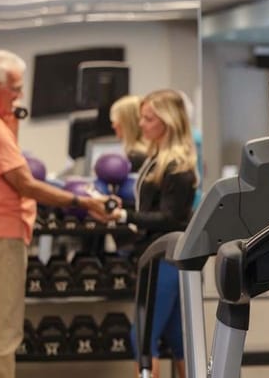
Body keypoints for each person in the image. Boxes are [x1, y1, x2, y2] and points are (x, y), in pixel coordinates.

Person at [0, 49, 113, 378]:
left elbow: (2, 167)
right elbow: (25, 182)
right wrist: (81, 203)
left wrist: (10, 120)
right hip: (1, 237)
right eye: (15, 88)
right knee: (5, 335)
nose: (20, 95)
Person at [112, 89, 198, 378]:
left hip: (167, 260)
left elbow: (170, 217)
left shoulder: (178, 166)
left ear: (167, 122)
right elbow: (149, 207)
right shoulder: (156, 158)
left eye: (149, 119)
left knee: (143, 339)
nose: (143, 125)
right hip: (154, 256)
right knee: (179, 340)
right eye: (142, 118)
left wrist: (126, 215)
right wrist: (117, 208)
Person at [109, 94, 149, 172]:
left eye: (115, 120)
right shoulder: (149, 151)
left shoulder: (135, 158)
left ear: (127, 123)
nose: (113, 126)